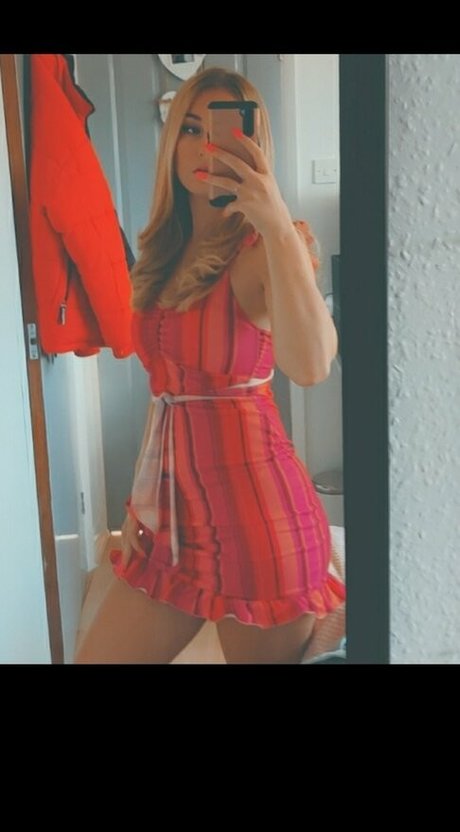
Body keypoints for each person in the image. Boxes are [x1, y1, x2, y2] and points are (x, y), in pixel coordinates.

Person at [75, 66, 345, 665]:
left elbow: (311, 365)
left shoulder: (264, 249)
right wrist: (143, 501)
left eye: (223, 132)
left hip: (260, 525)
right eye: (191, 129)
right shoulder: (166, 250)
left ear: (253, 144)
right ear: (172, 140)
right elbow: (169, 396)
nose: (205, 147)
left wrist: (275, 220)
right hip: (175, 524)